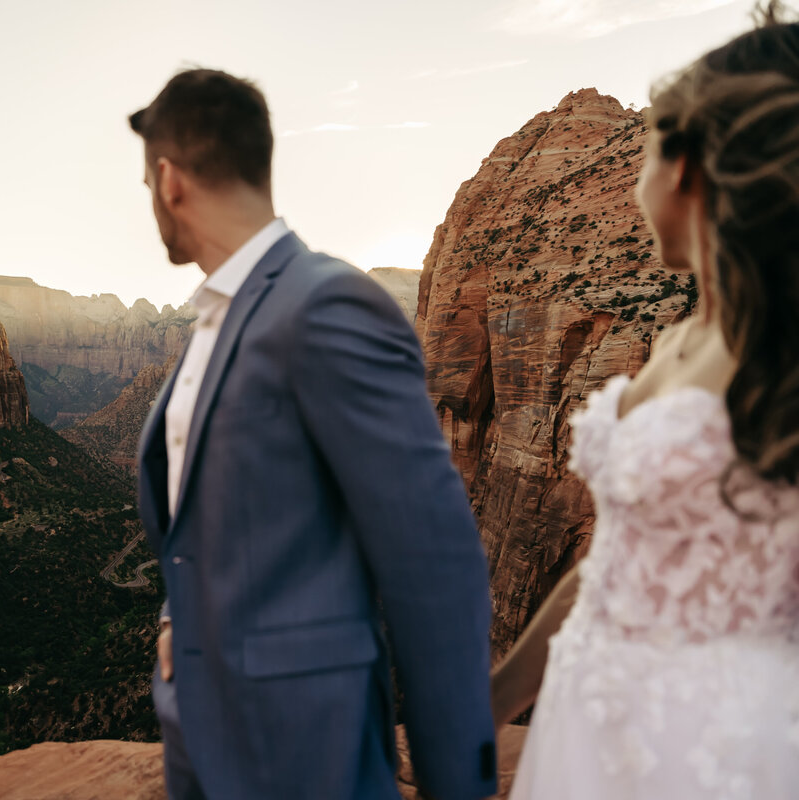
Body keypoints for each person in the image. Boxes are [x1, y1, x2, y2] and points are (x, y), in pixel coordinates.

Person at [130, 68, 496, 800]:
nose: (152, 201)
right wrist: (179, 617)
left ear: (170, 179)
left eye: (147, 185)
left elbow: (433, 564)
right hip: (199, 737)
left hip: (306, 751)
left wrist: (457, 782)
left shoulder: (327, 303)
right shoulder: (218, 316)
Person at [492, 5, 799, 798]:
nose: (633, 184)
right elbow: (612, 562)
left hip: (722, 741)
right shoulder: (677, 339)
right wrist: (495, 696)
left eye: (644, 157)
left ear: (688, 167)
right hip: (588, 717)